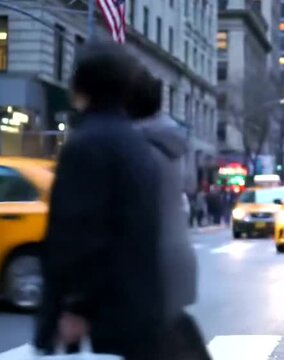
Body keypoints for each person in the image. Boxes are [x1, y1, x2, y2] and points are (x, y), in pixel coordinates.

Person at [35, 42, 163, 359]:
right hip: (136, 310)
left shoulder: (86, 145)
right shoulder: (136, 143)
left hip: (101, 319)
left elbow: (79, 234)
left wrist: (75, 307)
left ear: (80, 85)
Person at [125, 66, 209, 359]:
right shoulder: (172, 140)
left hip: (147, 267)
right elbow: (188, 187)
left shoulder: (135, 145)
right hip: (176, 259)